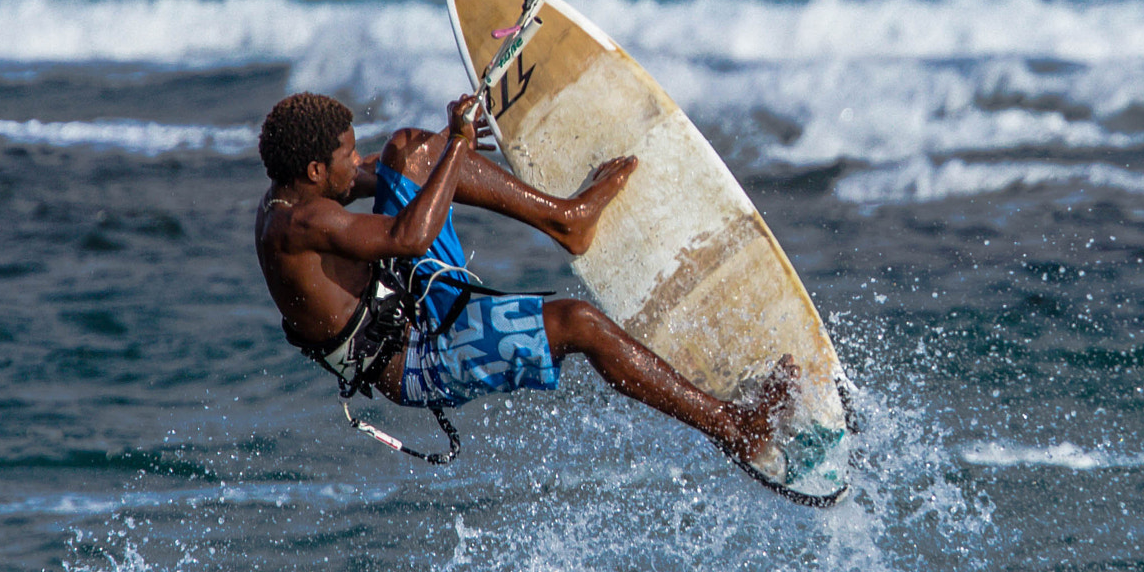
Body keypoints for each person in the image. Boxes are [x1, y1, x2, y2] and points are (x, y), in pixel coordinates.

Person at [253, 90, 795, 465]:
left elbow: (395, 177)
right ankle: (735, 430)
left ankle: (567, 218)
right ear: (316, 172)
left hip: (408, 297)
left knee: (410, 149)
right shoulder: (303, 223)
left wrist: (443, 144)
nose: (355, 162)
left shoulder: (296, 194)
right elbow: (408, 239)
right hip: (416, 358)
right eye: (346, 155)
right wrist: (460, 143)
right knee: (579, 323)